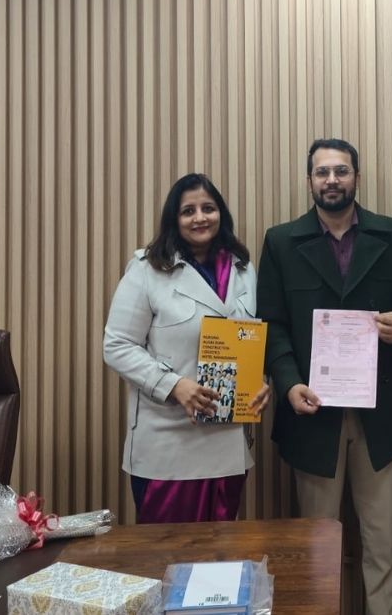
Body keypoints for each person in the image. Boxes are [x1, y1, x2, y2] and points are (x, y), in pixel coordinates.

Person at [256, 138, 392, 615]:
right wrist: (289, 383)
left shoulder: (390, 233)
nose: (332, 180)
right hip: (312, 412)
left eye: (341, 171)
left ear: (356, 178)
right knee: (316, 545)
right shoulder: (281, 241)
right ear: (309, 180)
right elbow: (271, 324)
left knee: (382, 544)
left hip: (380, 415)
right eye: (323, 172)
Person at [103, 173, 269, 524]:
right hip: (168, 442)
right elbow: (117, 345)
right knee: (166, 551)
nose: (200, 218)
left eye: (208, 208)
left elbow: (250, 337)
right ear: (173, 219)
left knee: (220, 552)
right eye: (188, 211)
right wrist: (174, 385)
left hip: (227, 442)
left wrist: (260, 382)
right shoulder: (147, 269)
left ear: (221, 214)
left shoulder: (243, 269)